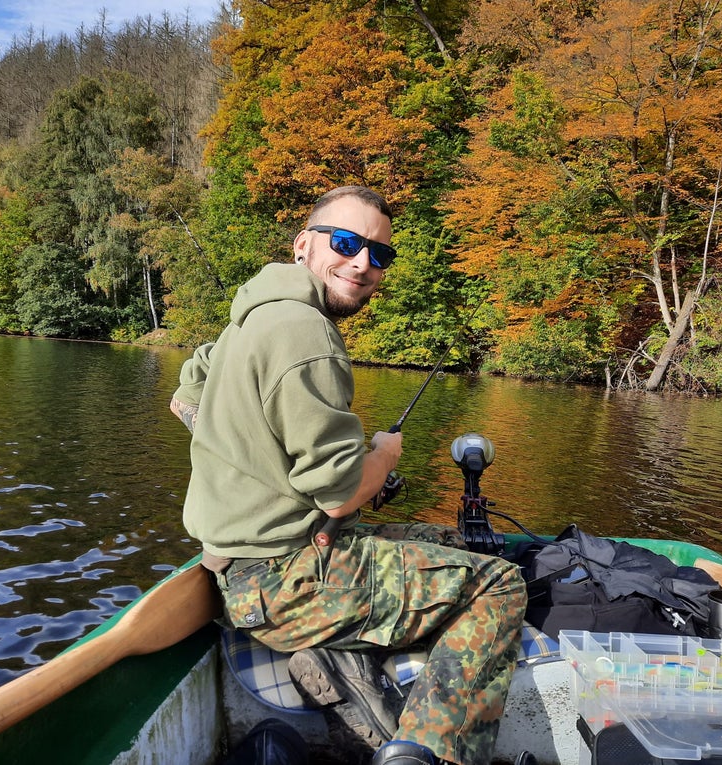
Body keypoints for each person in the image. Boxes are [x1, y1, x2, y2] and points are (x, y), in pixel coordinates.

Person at [170, 186, 527, 765]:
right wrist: (383, 454)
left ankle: (345, 661)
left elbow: (186, 392)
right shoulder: (306, 333)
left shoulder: (250, 320)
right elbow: (339, 498)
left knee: (452, 541)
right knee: (499, 585)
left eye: (380, 254)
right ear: (303, 246)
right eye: (346, 243)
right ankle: (430, 755)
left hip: (246, 572)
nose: (363, 263)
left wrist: (241, 449)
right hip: (287, 585)